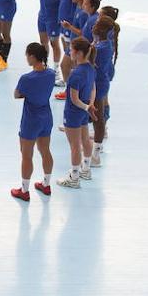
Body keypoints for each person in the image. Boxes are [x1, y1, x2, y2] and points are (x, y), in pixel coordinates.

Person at [12, 42, 56, 200]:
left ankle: (24, 190)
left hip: (30, 120)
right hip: (46, 117)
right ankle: (46, 184)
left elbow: (17, 95)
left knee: (26, 155)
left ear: (32, 56)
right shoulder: (51, 74)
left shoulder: (26, 79)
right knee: (45, 151)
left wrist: (27, 94)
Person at [59, 37, 98, 189]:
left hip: (73, 113)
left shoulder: (75, 75)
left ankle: (74, 177)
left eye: (72, 49)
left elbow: (74, 99)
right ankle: (86, 169)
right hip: (83, 112)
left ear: (79, 53)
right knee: (85, 140)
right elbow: (93, 89)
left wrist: (86, 107)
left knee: (75, 146)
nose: (69, 52)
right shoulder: (91, 68)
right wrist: (90, 105)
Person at [90, 15, 117, 167]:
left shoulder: (99, 49)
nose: (93, 26)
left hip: (98, 85)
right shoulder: (105, 45)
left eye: (96, 24)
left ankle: (95, 154)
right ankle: (94, 151)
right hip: (102, 82)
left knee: (98, 120)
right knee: (97, 118)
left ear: (100, 30)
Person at [36, 0, 63, 70]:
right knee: (43, 42)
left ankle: (56, 70)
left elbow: (62, 4)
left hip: (53, 20)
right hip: (42, 18)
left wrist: (60, 19)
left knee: (54, 44)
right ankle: (44, 65)